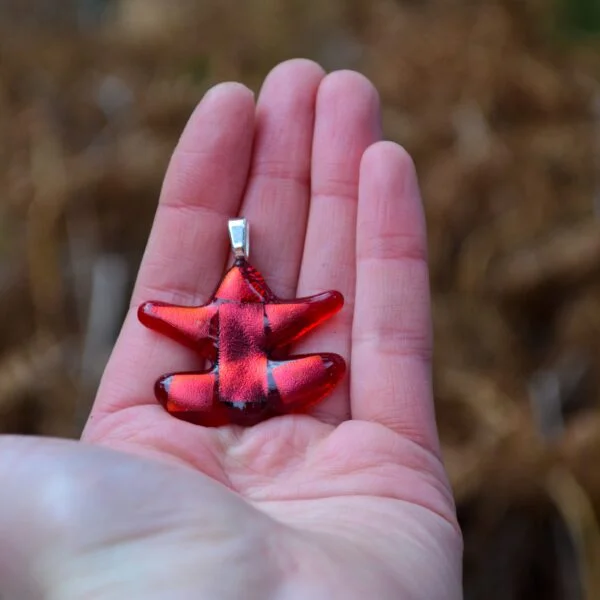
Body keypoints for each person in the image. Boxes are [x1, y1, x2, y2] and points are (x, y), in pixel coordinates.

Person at [0, 60, 462, 599]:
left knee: (191, 386)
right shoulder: (248, 316)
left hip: (237, 390)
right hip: (254, 389)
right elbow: (292, 311)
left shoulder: (230, 316)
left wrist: (318, 309)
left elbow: (276, 313)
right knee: (210, 383)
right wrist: (320, 309)